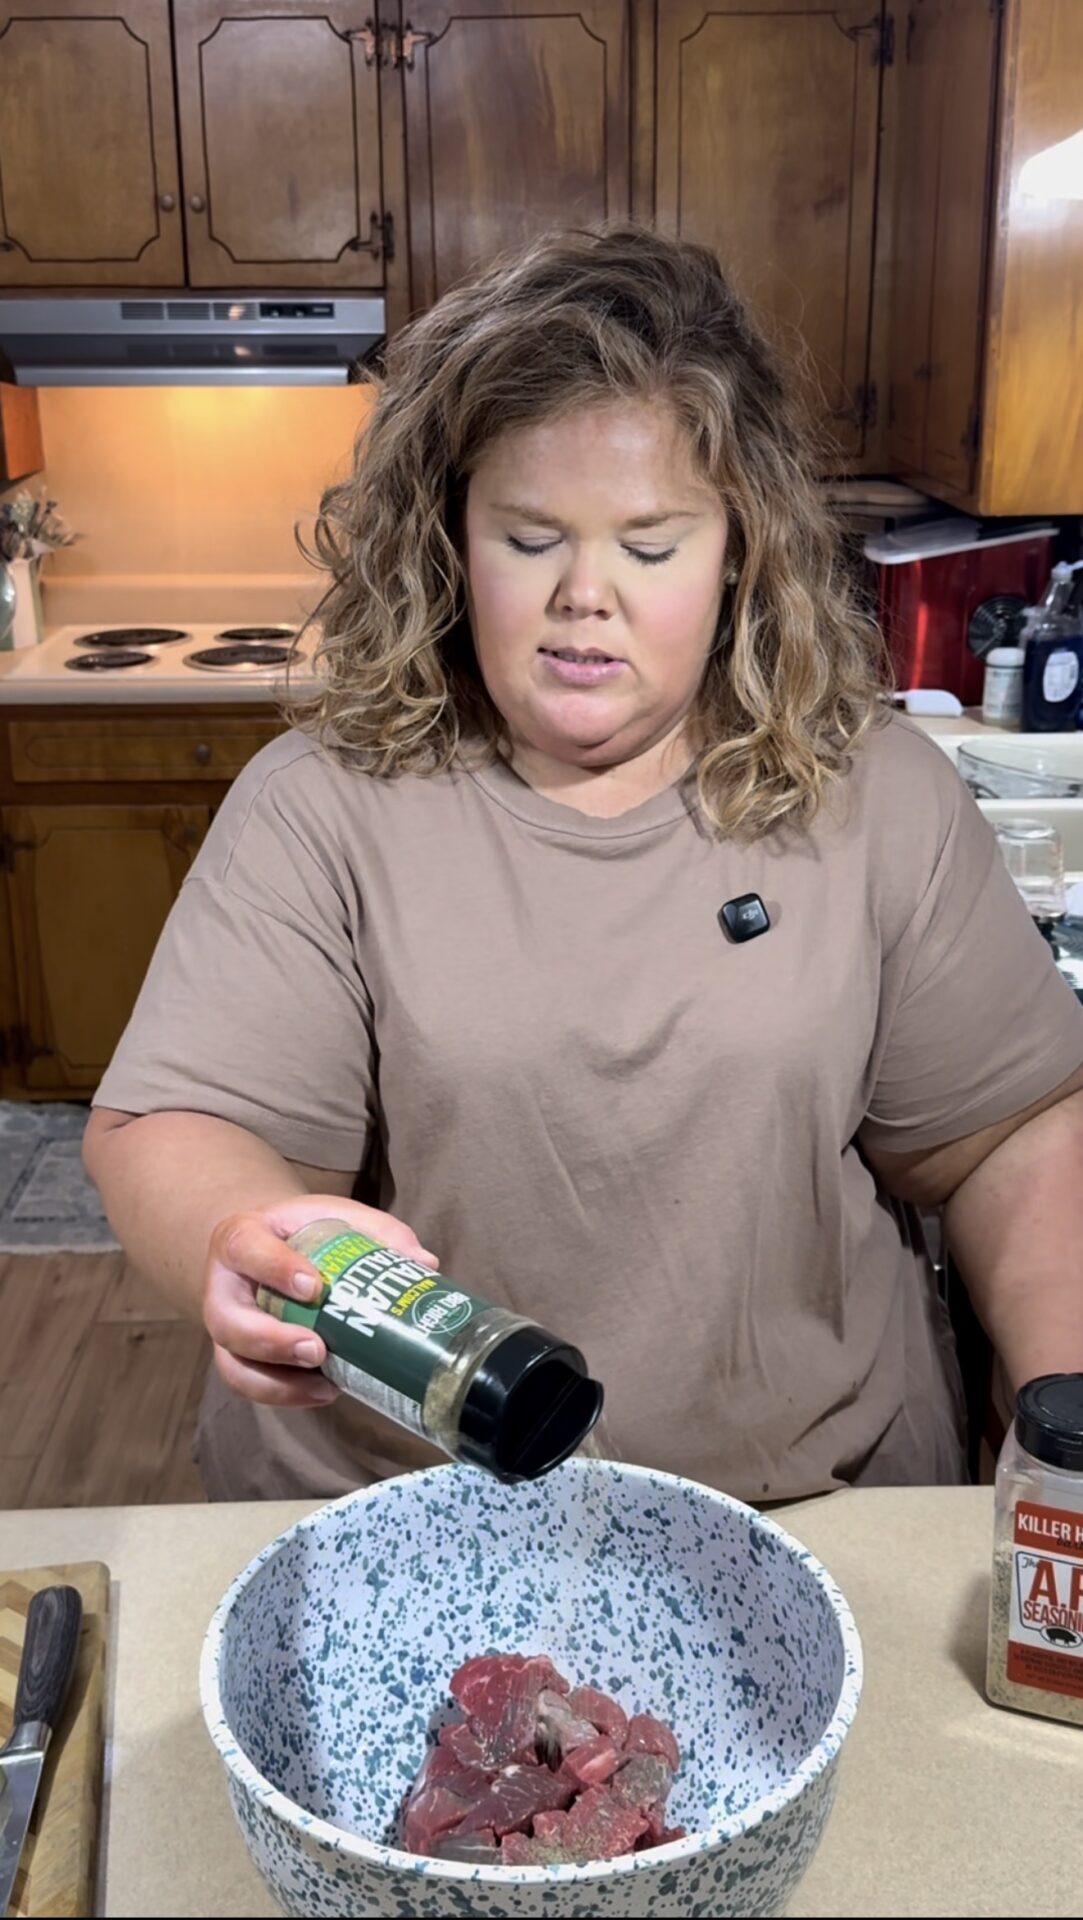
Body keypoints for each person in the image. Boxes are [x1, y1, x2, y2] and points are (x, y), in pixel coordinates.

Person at [84, 226, 1083, 1505]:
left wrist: (1056, 1432)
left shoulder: (879, 793)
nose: (584, 596)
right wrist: (239, 1235)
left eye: (652, 546)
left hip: (808, 1510)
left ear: (741, 553)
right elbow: (179, 1122)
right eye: (530, 537)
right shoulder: (320, 807)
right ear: (450, 542)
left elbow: (1009, 1138)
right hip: (402, 1510)